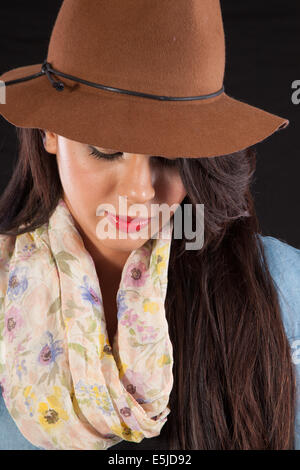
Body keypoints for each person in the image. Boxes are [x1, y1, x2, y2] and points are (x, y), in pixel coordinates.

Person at [0, 0, 299, 450]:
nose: (140, 191)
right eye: (105, 148)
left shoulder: (284, 288)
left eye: (170, 156)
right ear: (49, 132)